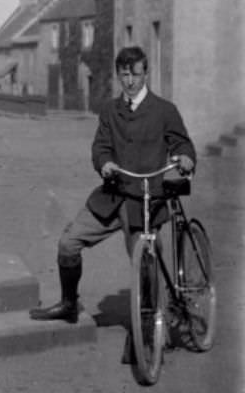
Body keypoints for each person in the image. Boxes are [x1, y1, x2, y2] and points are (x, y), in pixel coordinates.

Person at [29, 45, 196, 324]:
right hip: (112, 195)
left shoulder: (165, 111)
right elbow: (101, 147)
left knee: (145, 262)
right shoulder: (110, 110)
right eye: (124, 75)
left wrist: (187, 158)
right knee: (68, 243)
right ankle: (69, 303)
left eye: (136, 75)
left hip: (146, 199)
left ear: (146, 74)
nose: (130, 82)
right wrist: (104, 162)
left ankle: (148, 328)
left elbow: (182, 143)